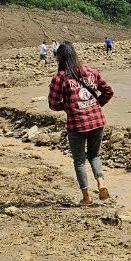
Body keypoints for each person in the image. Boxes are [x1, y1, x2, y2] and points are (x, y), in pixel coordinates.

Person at [47, 41, 114, 206]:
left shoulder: (59, 78)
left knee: (79, 160)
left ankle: (86, 197)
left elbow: (53, 104)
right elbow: (108, 91)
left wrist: (69, 106)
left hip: (77, 124)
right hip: (97, 121)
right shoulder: (91, 71)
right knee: (95, 155)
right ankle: (101, 184)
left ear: (60, 58)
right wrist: (96, 104)